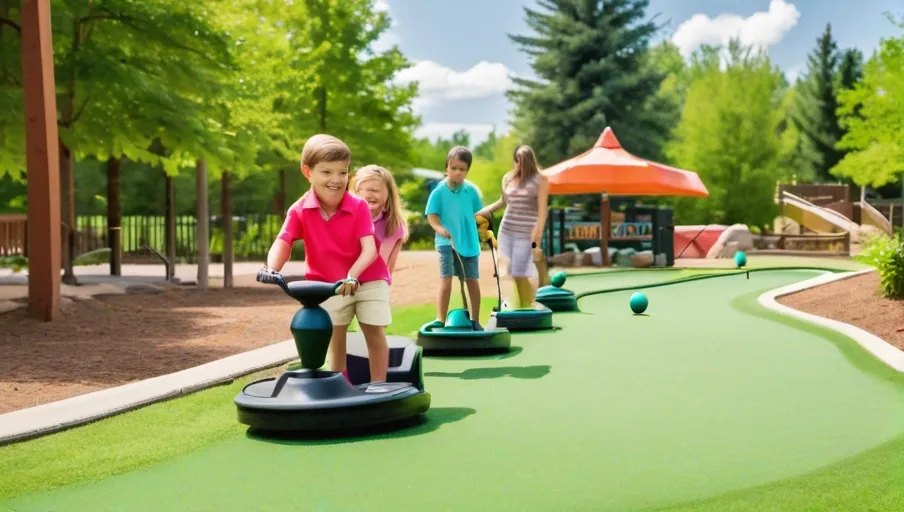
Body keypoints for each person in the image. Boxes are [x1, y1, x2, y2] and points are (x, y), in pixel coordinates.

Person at [262, 134, 390, 383]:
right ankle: (339, 387)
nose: (336, 180)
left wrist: (352, 275)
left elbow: (369, 250)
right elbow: (284, 241)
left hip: (369, 279)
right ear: (307, 172)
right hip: (328, 284)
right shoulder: (299, 210)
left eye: (342, 173)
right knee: (335, 336)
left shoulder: (359, 206)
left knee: (374, 333)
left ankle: (379, 387)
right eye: (327, 172)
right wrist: (271, 268)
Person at [477, 144, 549, 309]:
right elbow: (503, 202)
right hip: (507, 229)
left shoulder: (540, 179)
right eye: (517, 160)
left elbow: (542, 210)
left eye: (523, 161)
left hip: (527, 232)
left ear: (530, 161)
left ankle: (527, 304)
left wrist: (537, 236)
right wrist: (483, 212)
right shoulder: (508, 178)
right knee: (506, 270)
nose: (519, 164)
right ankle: (514, 303)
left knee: (519, 271)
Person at [425, 146, 484, 330]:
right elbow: (432, 216)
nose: (457, 172)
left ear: (467, 170)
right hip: (446, 243)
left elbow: (479, 214)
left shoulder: (471, 191)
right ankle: (440, 319)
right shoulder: (439, 191)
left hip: (468, 242)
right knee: (446, 278)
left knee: (472, 280)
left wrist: (483, 228)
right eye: (453, 168)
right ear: (446, 168)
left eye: (462, 169)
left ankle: (475, 320)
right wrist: (439, 228)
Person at [352, 164, 409, 276]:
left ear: (388, 194)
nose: (368, 195)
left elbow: (389, 267)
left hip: (375, 283)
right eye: (361, 190)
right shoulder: (347, 219)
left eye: (374, 190)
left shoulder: (395, 225)